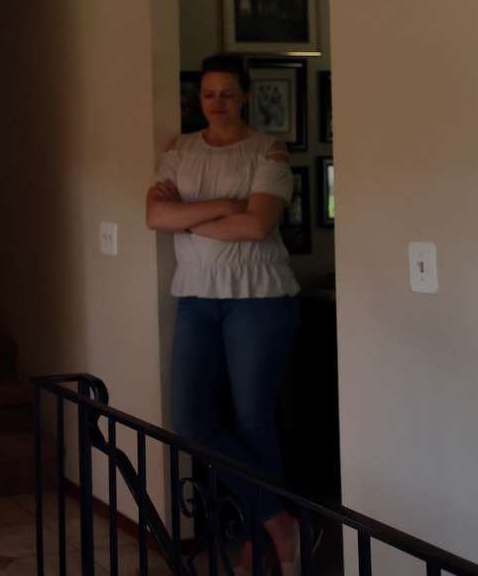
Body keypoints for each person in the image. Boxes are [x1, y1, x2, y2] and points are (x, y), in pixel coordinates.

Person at [146, 54, 303, 574]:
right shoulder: (180, 150)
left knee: (253, 419)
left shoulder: (267, 151)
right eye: (209, 94)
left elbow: (257, 226)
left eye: (228, 94)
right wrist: (224, 207)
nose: (217, 103)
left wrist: (186, 219)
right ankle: (280, 522)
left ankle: (260, 540)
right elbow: (154, 214)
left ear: (246, 96)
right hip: (196, 297)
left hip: (260, 297)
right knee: (192, 421)